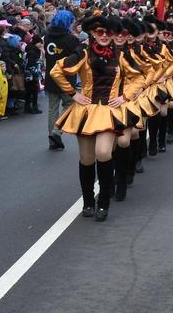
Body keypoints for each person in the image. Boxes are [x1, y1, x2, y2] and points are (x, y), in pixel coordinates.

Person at [48, 16, 129, 222]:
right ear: (92, 33)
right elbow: (56, 70)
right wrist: (73, 94)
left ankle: (103, 202)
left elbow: (139, 77)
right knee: (86, 159)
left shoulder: (121, 55)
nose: (104, 36)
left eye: (108, 32)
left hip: (109, 110)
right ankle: (88, 202)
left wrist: (125, 96)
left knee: (103, 152)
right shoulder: (83, 53)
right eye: (100, 32)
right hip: (86, 110)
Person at [43, 10, 81, 151]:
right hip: (65, 77)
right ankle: (57, 132)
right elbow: (77, 56)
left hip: (50, 76)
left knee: (52, 109)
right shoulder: (71, 39)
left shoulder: (47, 36)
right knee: (71, 104)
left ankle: (52, 138)